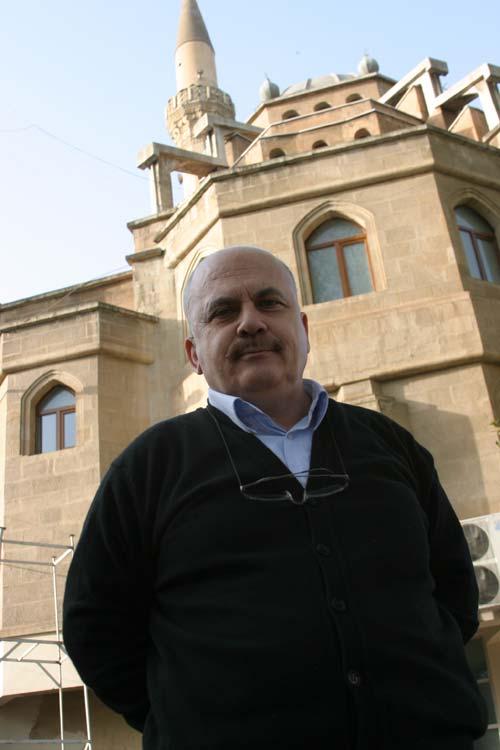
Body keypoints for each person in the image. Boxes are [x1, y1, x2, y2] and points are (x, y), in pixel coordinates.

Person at [63, 246, 487, 750]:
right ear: (194, 353)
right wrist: (188, 715)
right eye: (223, 312)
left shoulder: (390, 444)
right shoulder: (149, 467)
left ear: (303, 329)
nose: (251, 323)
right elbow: (95, 628)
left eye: (269, 303)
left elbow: (456, 594)